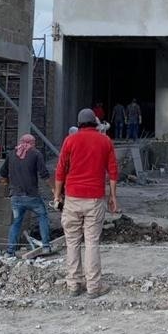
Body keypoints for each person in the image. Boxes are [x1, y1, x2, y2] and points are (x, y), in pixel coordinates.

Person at [53, 108, 119, 299]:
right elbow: (113, 172)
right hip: (94, 199)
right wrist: (113, 197)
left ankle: (74, 285)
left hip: (72, 198)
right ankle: (94, 287)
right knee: (91, 243)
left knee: (72, 242)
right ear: (95, 123)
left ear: (80, 123)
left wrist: (58, 196)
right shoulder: (105, 141)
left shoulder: (70, 140)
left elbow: (60, 171)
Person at [0, 133, 51, 257]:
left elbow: (2, 172)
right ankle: (46, 247)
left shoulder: (12, 154)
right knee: (42, 216)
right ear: (32, 143)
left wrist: (8, 183)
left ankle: (10, 251)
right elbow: (44, 174)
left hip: (16, 197)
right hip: (32, 196)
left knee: (16, 222)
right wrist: (54, 189)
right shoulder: (36, 154)